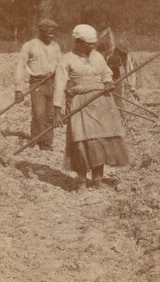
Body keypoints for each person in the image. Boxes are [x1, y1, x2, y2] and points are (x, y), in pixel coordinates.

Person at [54, 24, 130, 189]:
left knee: (100, 140)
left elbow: (106, 73)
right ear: (79, 42)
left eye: (93, 44)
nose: (92, 47)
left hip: (101, 101)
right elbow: (59, 86)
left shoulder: (97, 57)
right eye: (88, 44)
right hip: (80, 103)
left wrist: (108, 82)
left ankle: (97, 180)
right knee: (81, 141)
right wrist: (57, 111)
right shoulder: (67, 59)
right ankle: (81, 181)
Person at [14, 19, 62, 150]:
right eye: (48, 33)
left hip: (52, 82)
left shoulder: (56, 46)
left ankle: (46, 143)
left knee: (50, 115)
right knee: (39, 113)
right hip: (37, 82)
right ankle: (35, 139)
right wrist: (18, 89)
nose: (50, 36)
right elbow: (20, 67)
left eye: (53, 33)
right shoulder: (30, 46)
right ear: (41, 32)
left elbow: (60, 66)